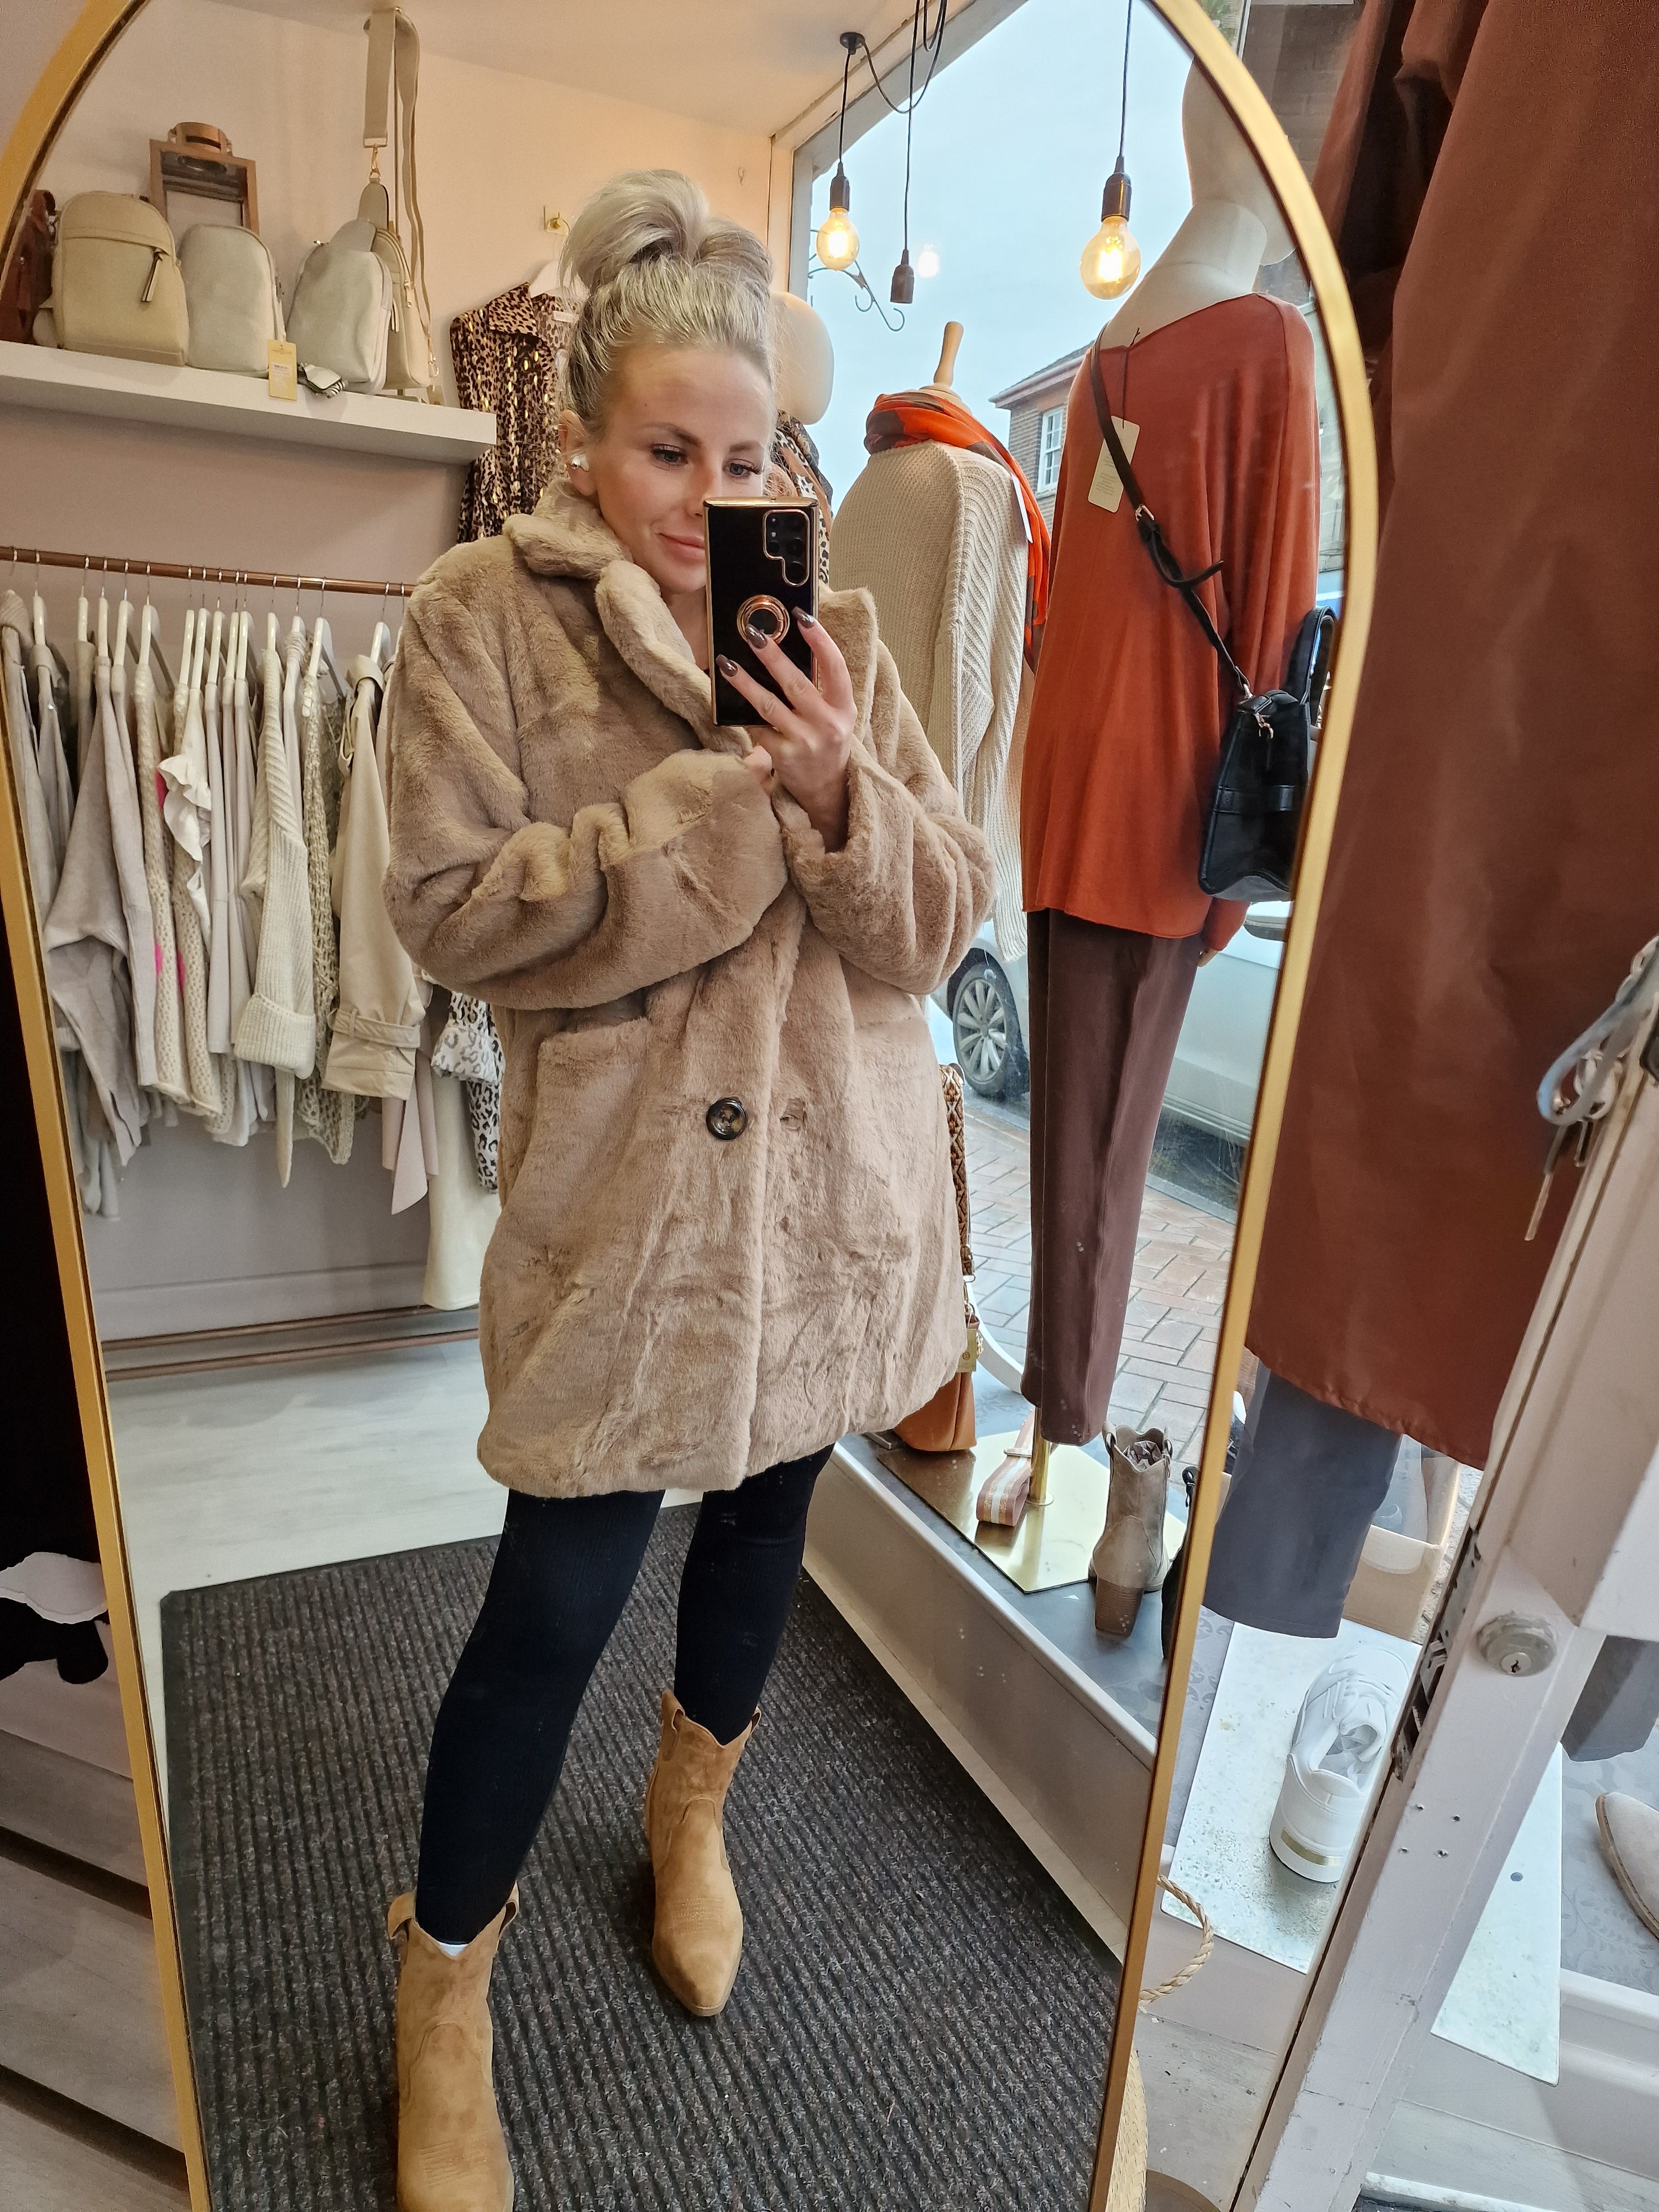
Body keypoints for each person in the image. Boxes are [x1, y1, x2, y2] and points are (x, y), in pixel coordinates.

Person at [381, 169, 993, 2212]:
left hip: (828, 1218)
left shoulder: (842, 636)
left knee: (764, 1538)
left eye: (748, 459)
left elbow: (940, 923)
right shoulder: (477, 622)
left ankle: (690, 1813)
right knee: (549, 1605)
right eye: (669, 451)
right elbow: (455, 911)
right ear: (585, 441)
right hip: (627, 1234)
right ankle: (443, 1987)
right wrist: (725, 810)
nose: (710, 494)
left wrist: (840, 787)